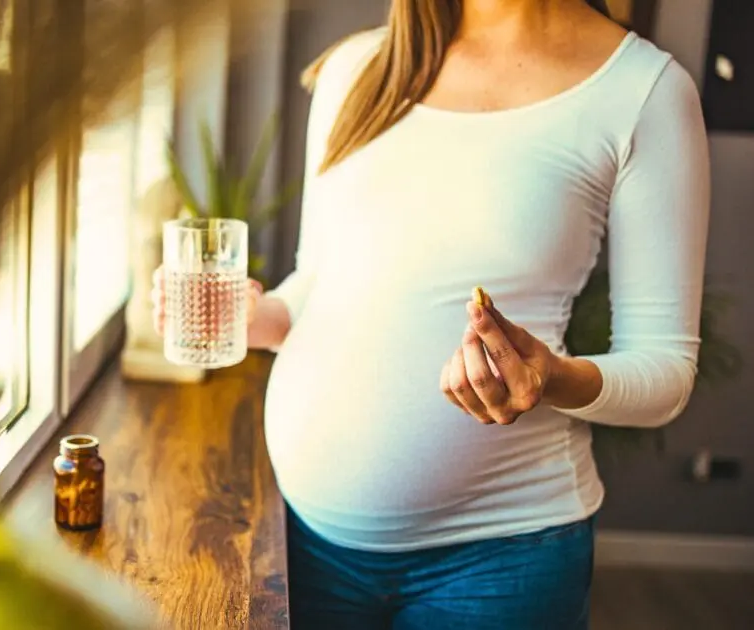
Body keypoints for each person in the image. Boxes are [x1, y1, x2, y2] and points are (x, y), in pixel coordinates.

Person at [153, 0, 710, 627]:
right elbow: (321, 279)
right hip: (301, 540)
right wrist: (261, 319)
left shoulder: (644, 91)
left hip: (501, 564)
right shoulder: (359, 67)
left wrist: (549, 377)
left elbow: (665, 371)